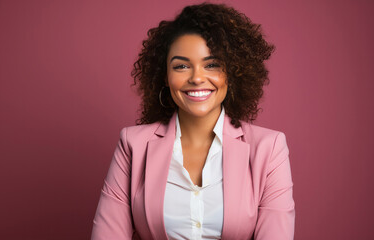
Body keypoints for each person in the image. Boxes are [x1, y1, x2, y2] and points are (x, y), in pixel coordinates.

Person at [91, 2, 295, 240]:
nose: (197, 78)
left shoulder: (269, 148)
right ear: (165, 76)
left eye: (212, 65)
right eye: (181, 66)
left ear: (234, 72)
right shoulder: (132, 145)